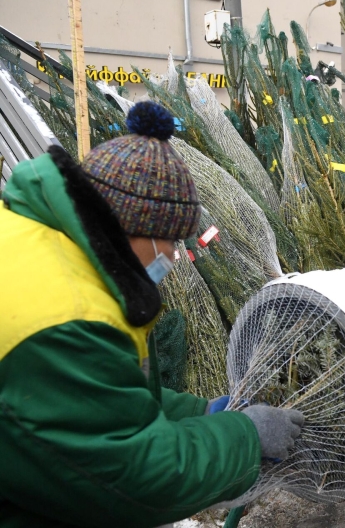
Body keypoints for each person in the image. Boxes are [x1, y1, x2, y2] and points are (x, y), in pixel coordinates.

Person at [0, 101, 304, 528]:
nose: (173, 258)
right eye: (170, 242)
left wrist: (202, 415)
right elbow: (133, 479)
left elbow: (107, 398)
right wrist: (244, 437)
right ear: (133, 227)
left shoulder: (35, 240)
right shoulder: (67, 318)